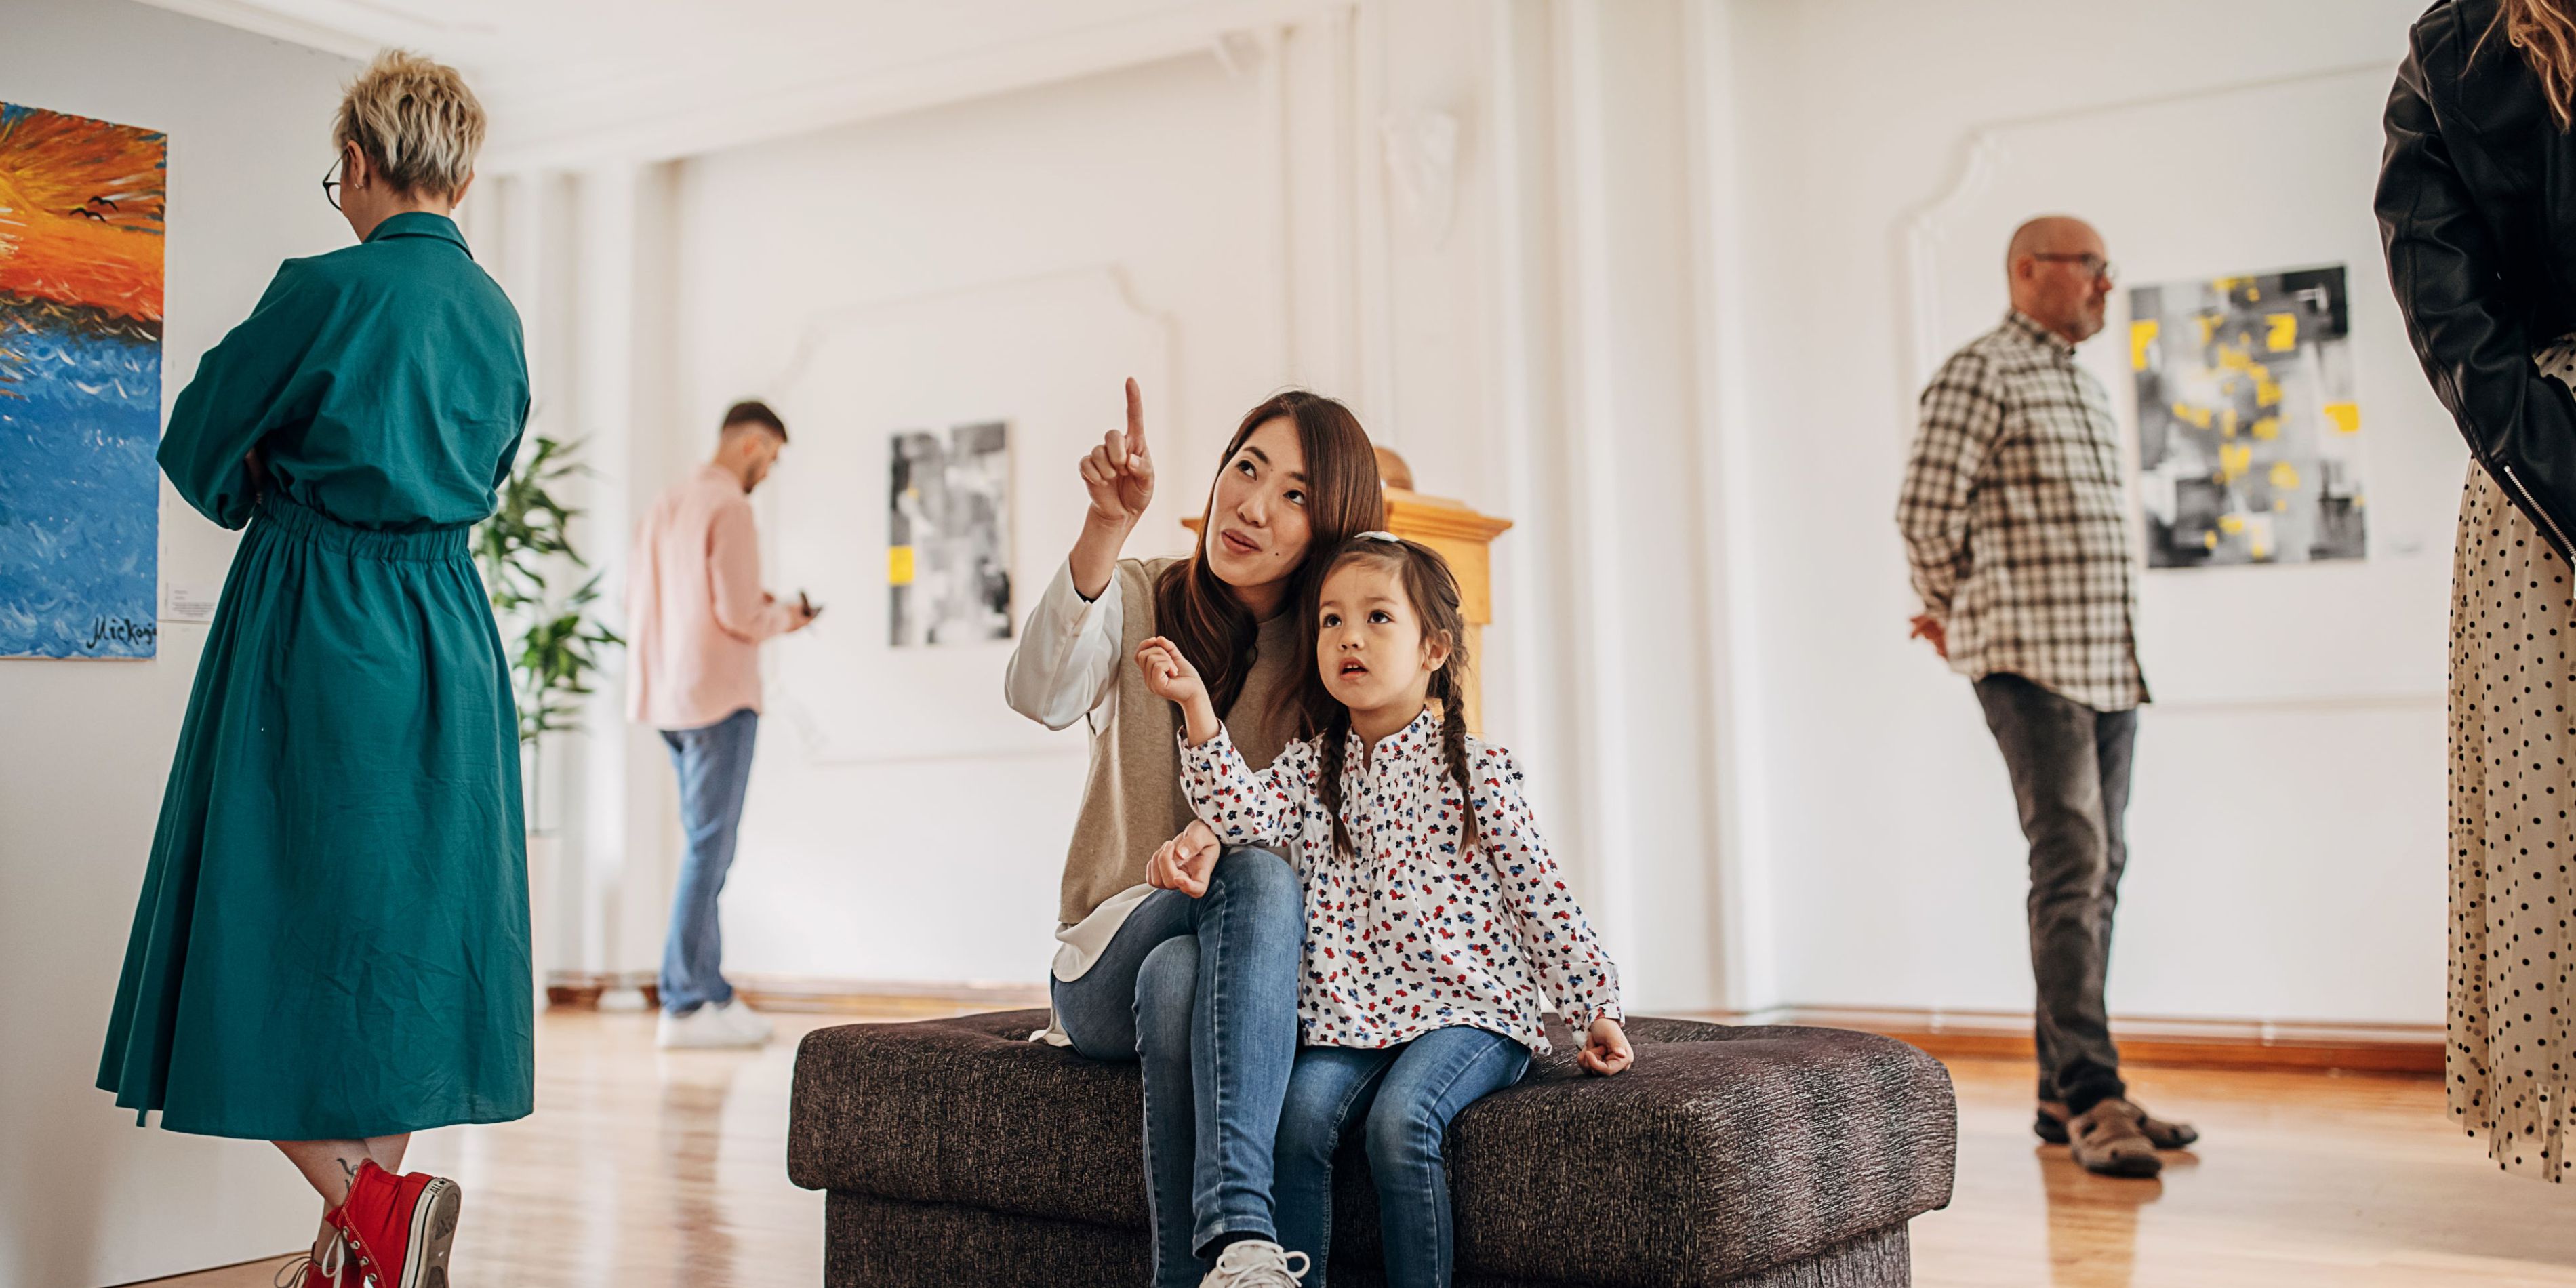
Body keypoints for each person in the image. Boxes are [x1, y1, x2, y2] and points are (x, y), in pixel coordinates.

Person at [95, 49, 525, 1286]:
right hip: (447, 629)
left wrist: (274, 495)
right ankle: (356, 1257)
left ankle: (371, 1209)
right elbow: (487, 473)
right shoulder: (496, 314)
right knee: (397, 937)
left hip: (317, 623)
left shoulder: (323, 288)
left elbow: (197, 445)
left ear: (355, 163)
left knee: (254, 925)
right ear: (465, 170)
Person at [1138, 533, 1630, 1288]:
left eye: (1376, 618)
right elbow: (1240, 815)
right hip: (1352, 1018)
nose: (1348, 638)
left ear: (1433, 648)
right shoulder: (1309, 768)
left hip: (1471, 1012)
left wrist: (1594, 1004)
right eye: (1331, 621)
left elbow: (1541, 894)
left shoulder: (1477, 771)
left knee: (1402, 1125)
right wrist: (1196, 707)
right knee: (1295, 1122)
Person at [1003, 380, 1384, 1287]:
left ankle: (1224, 1269)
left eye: (1294, 494)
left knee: (1182, 981)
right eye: (1246, 468)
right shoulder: (1139, 596)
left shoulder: (1330, 660)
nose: (1252, 505)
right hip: (1104, 961)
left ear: (1328, 530)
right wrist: (1105, 528)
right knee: (1249, 878)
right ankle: (1249, 1229)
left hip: (1214, 978)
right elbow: (1039, 692)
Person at [1894, 215, 2198, 1179]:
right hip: (2031, 658)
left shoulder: (2078, 383)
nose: (2107, 284)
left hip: (2107, 661)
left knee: (2101, 867)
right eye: (2092, 268)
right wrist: (1956, 609)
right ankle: (2090, 1096)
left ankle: (2055, 1087)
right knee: (2072, 864)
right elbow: (1925, 510)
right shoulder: (1982, 370)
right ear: (2031, 272)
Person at [2379, 0, 2576, 1182]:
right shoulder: (2459, 48)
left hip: (2538, 467)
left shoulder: (2454, 48)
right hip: (2548, 482)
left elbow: (2452, 319)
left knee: (2559, 840)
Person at [626, 399, 817, 1049]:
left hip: (665, 696)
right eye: (771, 455)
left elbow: (667, 601)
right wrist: (789, 616)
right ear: (751, 444)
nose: (768, 469)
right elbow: (737, 613)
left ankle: (707, 992)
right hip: (717, 697)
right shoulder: (731, 507)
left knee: (704, 846)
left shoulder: (666, 504)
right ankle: (684, 1002)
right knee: (711, 848)